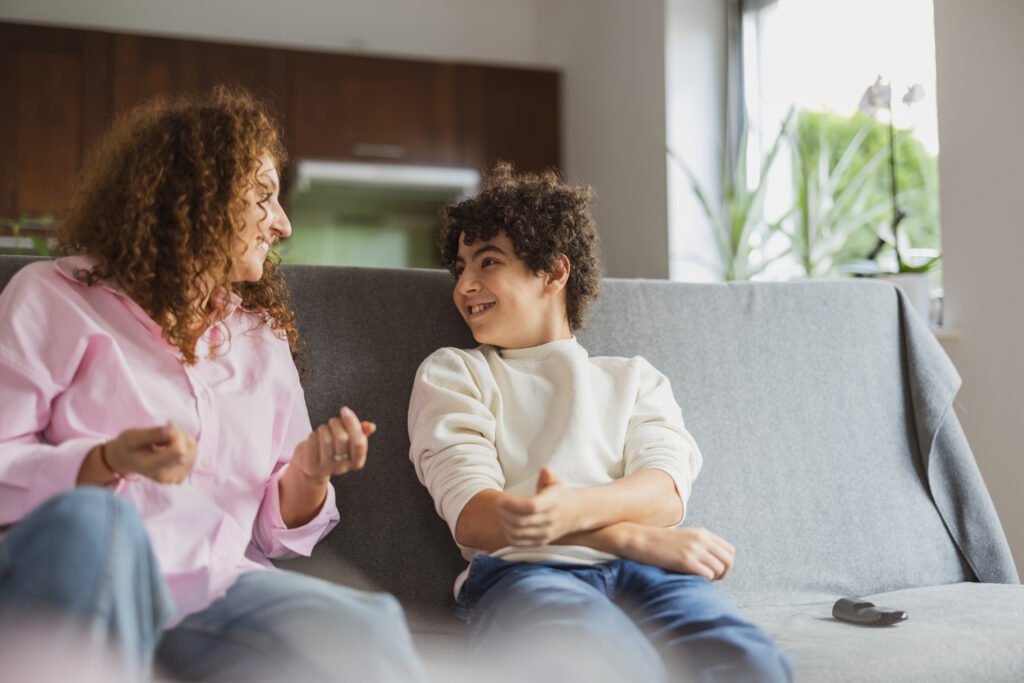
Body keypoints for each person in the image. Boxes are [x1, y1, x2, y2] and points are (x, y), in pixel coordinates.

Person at [0, 87, 423, 683]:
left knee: (369, 626)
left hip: (210, 589)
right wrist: (101, 462)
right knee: (98, 522)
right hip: (78, 571)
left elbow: (272, 537)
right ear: (197, 194)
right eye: (264, 196)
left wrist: (309, 472)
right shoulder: (51, 297)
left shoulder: (259, 337)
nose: (283, 223)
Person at [408, 163, 793, 682]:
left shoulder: (635, 379)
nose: (465, 285)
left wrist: (576, 513)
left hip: (652, 573)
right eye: (460, 268)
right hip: (524, 576)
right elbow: (473, 516)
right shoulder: (455, 373)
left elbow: (665, 492)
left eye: (488, 261)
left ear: (554, 271)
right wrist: (631, 539)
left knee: (753, 665)